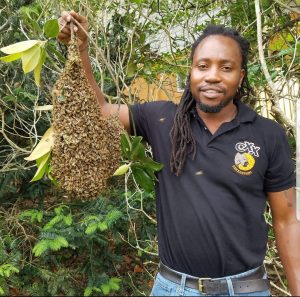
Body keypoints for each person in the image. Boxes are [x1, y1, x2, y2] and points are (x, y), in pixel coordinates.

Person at [58, 11, 299, 296]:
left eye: (226, 67)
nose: (212, 76)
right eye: (203, 66)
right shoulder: (162, 121)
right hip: (174, 288)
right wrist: (82, 50)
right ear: (191, 71)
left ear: (241, 76)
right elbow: (100, 112)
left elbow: (286, 220)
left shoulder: (266, 134)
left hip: (246, 289)